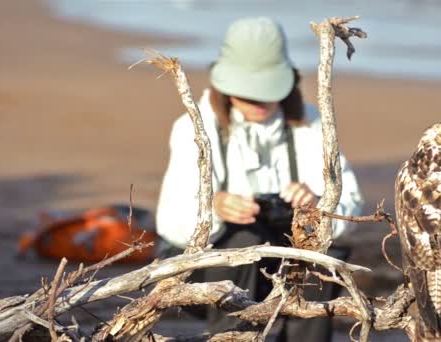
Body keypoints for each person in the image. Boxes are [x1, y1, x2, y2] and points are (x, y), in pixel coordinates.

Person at [156, 17, 364, 342]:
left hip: (286, 268)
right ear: (224, 86)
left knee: (322, 255)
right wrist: (214, 209)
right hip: (209, 274)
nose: (259, 102)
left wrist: (316, 209)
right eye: (247, 93)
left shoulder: (311, 123)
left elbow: (350, 215)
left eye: (268, 92)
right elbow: (169, 225)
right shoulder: (193, 127)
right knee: (243, 243)